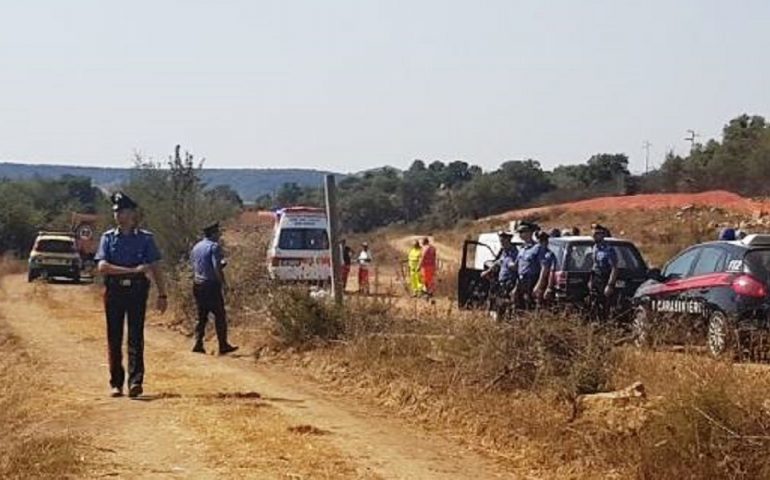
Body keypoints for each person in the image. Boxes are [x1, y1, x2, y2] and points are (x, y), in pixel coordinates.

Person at [95, 192, 167, 399]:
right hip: (114, 291)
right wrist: (133, 270)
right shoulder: (108, 238)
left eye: (122, 211)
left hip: (137, 291)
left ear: (132, 213)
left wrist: (162, 294)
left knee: (136, 336)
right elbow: (102, 267)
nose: (118, 215)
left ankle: (135, 381)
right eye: (116, 212)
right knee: (114, 337)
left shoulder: (145, 239)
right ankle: (116, 383)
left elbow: (155, 267)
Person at [190, 222, 238, 355]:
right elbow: (216, 267)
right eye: (218, 233)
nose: (219, 235)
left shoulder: (196, 246)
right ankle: (223, 345)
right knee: (220, 315)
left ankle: (198, 343)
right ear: (214, 233)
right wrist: (223, 283)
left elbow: (195, 265)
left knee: (201, 315)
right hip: (210, 285)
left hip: (197, 284)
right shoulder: (214, 247)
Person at [512, 222, 552, 310]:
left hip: (532, 280)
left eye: (523, 231)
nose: (521, 234)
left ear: (530, 232)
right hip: (521, 280)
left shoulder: (537, 248)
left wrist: (539, 285)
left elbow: (544, 267)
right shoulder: (522, 249)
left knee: (530, 306)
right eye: (519, 232)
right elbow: (518, 267)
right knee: (519, 307)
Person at [481, 230, 518, 318]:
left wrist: (512, 265)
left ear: (509, 240)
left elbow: (515, 267)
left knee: (506, 308)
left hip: (509, 283)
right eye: (501, 240)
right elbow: (497, 263)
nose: (502, 242)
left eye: (504, 240)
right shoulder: (504, 252)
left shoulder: (514, 253)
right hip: (501, 283)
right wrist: (487, 271)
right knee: (496, 305)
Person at [588, 223, 619, 321]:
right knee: (594, 306)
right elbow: (594, 265)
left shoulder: (609, 250)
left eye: (597, 233)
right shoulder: (595, 248)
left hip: (604, 279)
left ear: (602, 235)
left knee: (605, 307)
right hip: (595, 279)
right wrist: (590, 280)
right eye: (593, 233)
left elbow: (614, 268)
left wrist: (610, 285)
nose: (594, 235)